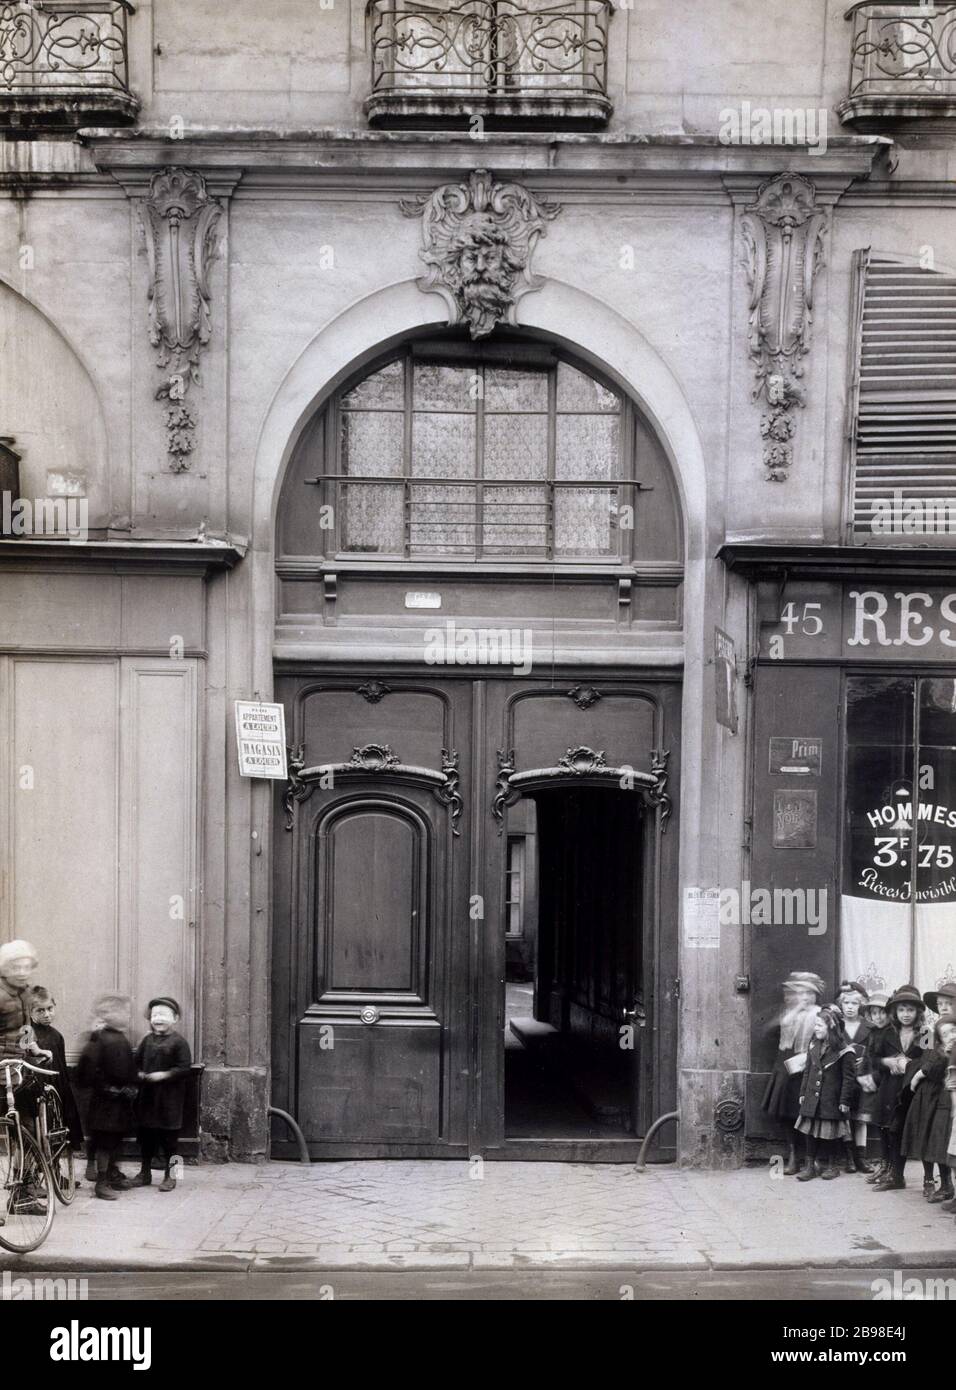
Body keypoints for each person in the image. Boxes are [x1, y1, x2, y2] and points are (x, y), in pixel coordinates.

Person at [75, 994, 137, 1201]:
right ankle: (102, 1183)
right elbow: (88, 1071)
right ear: (108, 1015)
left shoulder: (116, 1038)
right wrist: (108, 1087)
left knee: (115, 1139)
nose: (128, 1017)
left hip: (116, 1101)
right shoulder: (103, 1040)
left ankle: (112, 1173)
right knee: (105, 1141)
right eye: (124, 1012)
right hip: (107, 1101)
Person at [762, 971, 825, 1175]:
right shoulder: (787, 1014)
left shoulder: (820, 1014)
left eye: (809, 993)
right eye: (800, 993)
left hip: (808, 1066)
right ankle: (792, 1155)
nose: (805, 998)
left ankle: (810, 1158)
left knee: (806, 1113)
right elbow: (769, 1033)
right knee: (786, 1114)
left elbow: (827, 1042)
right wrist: (793, 1012)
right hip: (785, 1067)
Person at [870, 984, 927, 1192]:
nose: (906, 1014)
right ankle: (890, 1171)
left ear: (918, 1012)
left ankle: (897, 1175)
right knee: (886, 1128)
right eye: (901, 1010)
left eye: (910, 1010)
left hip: (909, 1091)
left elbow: (928, 1059)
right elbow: (873, 1060)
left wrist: (908, 1065)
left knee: (898, 1130)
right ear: (894, 1012)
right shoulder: (887, 1032)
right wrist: (888, 1063)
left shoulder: (925, 1033)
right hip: (888, 1089)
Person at [131, 998, 191, 1192]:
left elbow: (184, 1069)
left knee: (170, 1140)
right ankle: (145, 1173)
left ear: (175, 1018)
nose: (158, 1019)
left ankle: (173, 1176)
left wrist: (164, 1075)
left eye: (164, 1015)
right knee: (147, 1138)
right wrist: (138, 1073)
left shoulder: (180, 1042)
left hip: (170, 1099)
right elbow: (137, 1062)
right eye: (155, 1015)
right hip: (148, 1098)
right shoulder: (147, 1040)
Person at [794, 1004, 856, 1181]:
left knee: (831, 1134)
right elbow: (807, 1070)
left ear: (830, 1027)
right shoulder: (814, 1045)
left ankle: (832, 1166)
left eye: (819, 1025)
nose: (815, 1028)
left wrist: (844, 1101)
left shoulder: (845, 1051)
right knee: (810, 1133)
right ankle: (810, 1166)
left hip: (832, 1100)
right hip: (813, 1098)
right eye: (815, 1025)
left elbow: (848, 1079)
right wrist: (803, 1092)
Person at [901, 1017, 956, 1202]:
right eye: (941, 1004)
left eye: (948, 1003)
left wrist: (921, 1072)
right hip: (927, 1093)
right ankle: (929, 1179)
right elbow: (920, 1056)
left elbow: (936, 1065)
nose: (944, 1007)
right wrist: (918, 1072)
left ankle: (946, 1183)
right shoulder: (927, 1030)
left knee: (940, 1139)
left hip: (944, 1095)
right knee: (925, 1135)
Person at [28, 987, 84, 1151]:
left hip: (57, 1087)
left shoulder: (56, 1035)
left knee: (56, 1131)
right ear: (30, 1012)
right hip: (35, 1089)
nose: (47, 1014)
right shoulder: (28, 1033)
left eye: (50, 1009)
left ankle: (56, 1171)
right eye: (40, 1010)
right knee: (35, 1134)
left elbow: (61, 1068)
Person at [835, 980, 875, 1173]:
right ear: (841, 1004)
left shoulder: (869, 1027)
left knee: (861, 1118)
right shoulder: (835, 1025)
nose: (850, 1007)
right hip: (842, 1079)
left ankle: (862, 1157)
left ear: (861, 1005)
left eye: (854, 1003)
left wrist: (866, 1062)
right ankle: (849, 1157)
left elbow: (876, 1051)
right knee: (845, 1116)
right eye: (846, 1003)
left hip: (862, 1078)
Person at [860, 991, 890, 1184]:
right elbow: (868, 1057)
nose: (878, 1017)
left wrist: (875, 1077)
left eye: (882, 1012)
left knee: (888, 1126)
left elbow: (887, 1062)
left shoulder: (891, 1033)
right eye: (874, 1013)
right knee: (878, 1124)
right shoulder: (873, 1033)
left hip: (885, 1084)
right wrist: (862, 1076)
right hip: (873, 1084)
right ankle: (883, 1163)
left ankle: (890, 1166)